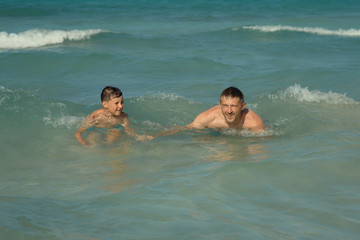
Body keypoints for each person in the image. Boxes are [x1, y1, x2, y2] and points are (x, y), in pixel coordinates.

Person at [75, 86, 150, 147]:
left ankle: (109, 152)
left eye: (122, 102)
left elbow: (128, 131)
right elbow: (79, 132)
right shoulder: (97, 115)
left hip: (114, 130)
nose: (120, 106)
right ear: (105, 104)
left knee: (115, 133)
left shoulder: (123, 117)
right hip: (97, 130)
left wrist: (138, 136)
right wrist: (84, 143)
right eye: (116, 103)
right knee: (93, 141)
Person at [187, 86, 266, 133]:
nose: (229, 111)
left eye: (233, 106)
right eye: (225, 105)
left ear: (243, 106)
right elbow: (186, 130)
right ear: (220, 104)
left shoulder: (253, 123)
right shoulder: (208, 118)